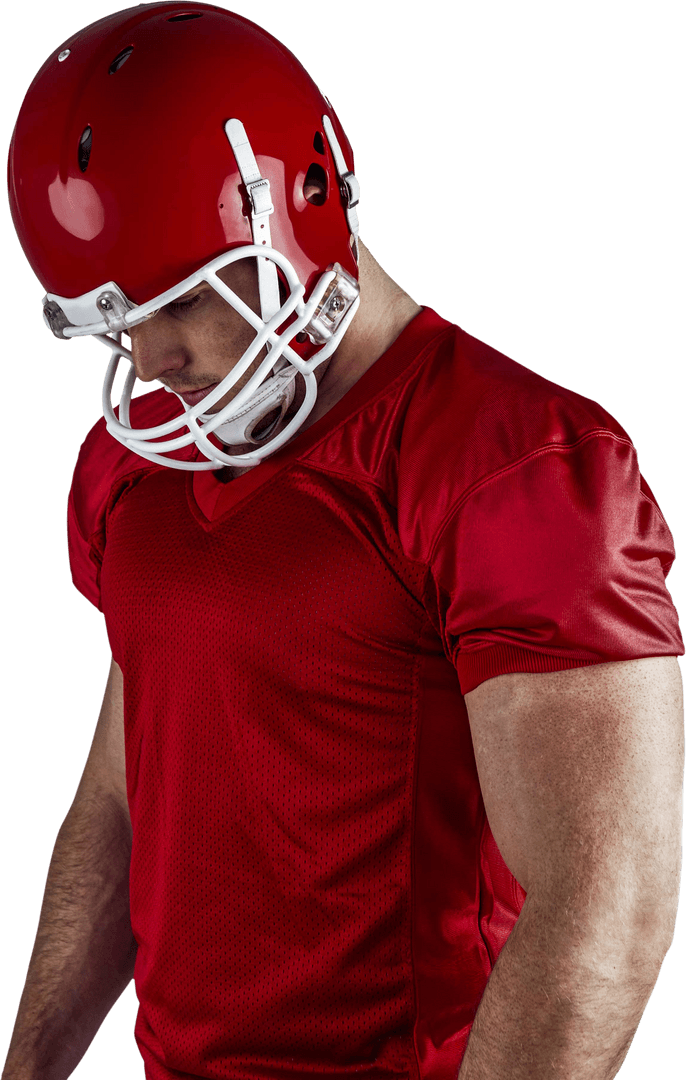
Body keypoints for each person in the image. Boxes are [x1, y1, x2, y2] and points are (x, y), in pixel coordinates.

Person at [3, 3, 684, 1079]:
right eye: (113, 315)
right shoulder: (131, 468)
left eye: (172, 302)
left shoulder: (519, 464)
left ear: (297, 210)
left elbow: (604, 910)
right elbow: (123, 798)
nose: (146, 355)